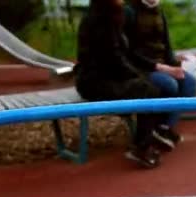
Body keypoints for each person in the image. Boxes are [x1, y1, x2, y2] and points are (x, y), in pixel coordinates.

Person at [74, 0, 174, 168]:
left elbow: (120, 56)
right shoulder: (100, 20)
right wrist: (137, 75)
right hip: (94, 82)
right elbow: (112, 60)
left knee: (149, 86)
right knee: (147, 89)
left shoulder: (111, 16)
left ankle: (150, 133)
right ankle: (141, 147)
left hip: (106, 76)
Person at [123, 0, 196, 147]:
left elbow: (166, 45)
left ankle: (164, 127)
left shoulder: (158, 10)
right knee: (169, 84)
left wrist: (175, 66)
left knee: (189, 82)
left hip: (161, 64)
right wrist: (162, 68)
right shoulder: (130, 12)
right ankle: (153, 129)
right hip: (141, 68)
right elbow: (129, 52)